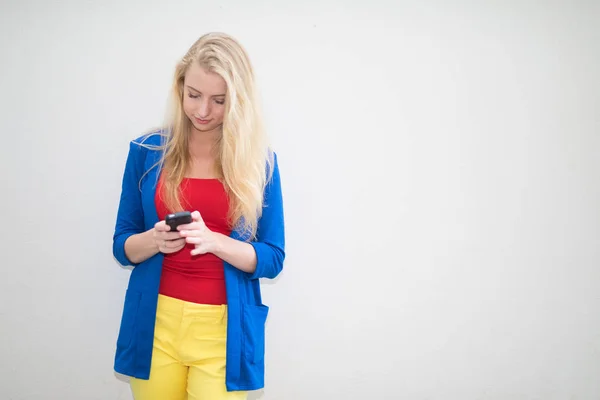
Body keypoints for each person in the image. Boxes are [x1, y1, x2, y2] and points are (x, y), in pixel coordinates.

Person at [112, 32, 285, 400]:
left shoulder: (259, 164)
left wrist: (217, 242)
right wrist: (153, 240)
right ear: (180, 87)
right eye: (194, 95)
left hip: (223, 332)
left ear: (238, 100)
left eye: (219, 100)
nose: (203, 111)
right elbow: (122, 245)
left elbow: (273, 257)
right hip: (155, 325)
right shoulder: (145, 152)